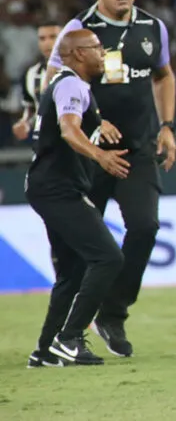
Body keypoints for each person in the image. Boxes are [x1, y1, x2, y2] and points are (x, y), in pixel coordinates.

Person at [45, 0, 176, 358]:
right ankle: (65, 335)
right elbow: (56, 79)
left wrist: (168, 127)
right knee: (77, 252)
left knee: (145, 226)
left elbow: (164, 75)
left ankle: (113, 312)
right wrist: (92, 121)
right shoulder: (78, 29)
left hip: (137, 150)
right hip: (88, 155)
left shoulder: (153, 28)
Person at [25, 29, 131, 367]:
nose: (103, 53)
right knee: (108, 258)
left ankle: (45, 351)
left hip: (49, 186)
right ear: (77, 54)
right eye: (97, 48)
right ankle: (69, 337)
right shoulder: (71, 84)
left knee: (71, 272)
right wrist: (101, 158)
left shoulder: (71, 86)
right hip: (58, 189)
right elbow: (70, 130)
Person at [12, 21, 61, 142]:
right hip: (45, 144)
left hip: (77, 143)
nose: (47, 43)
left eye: (53, 37)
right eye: (42, 38)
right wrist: (24, 123)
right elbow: (32, 107)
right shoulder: (31, 74)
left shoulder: (81, 70)